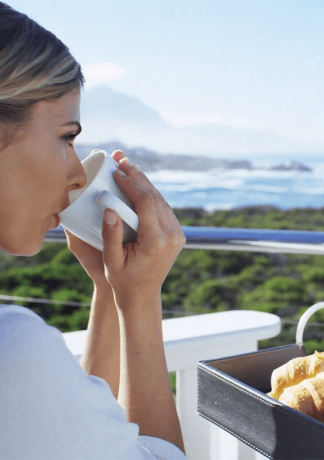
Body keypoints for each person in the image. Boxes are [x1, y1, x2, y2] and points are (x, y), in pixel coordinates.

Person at [0, 3, 186, 459]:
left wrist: (111, 287)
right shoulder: (13, 350)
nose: (78, 175)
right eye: (66, 137)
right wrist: (141, 300)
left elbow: (84, 437)